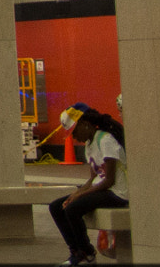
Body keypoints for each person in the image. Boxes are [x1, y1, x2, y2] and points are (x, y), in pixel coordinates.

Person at [47, 102, 127, 266]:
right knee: (56, 206)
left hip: (117, 192)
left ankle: (87, 253)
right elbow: (93, 179)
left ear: (85, 124)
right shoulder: (89, 144)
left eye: (74, 131)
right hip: (103, 188)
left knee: (73, 209)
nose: (74, 137)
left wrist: (80, 195)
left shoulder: (106, 140)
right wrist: (76, 193)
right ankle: (75, 251)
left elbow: (109, 180)